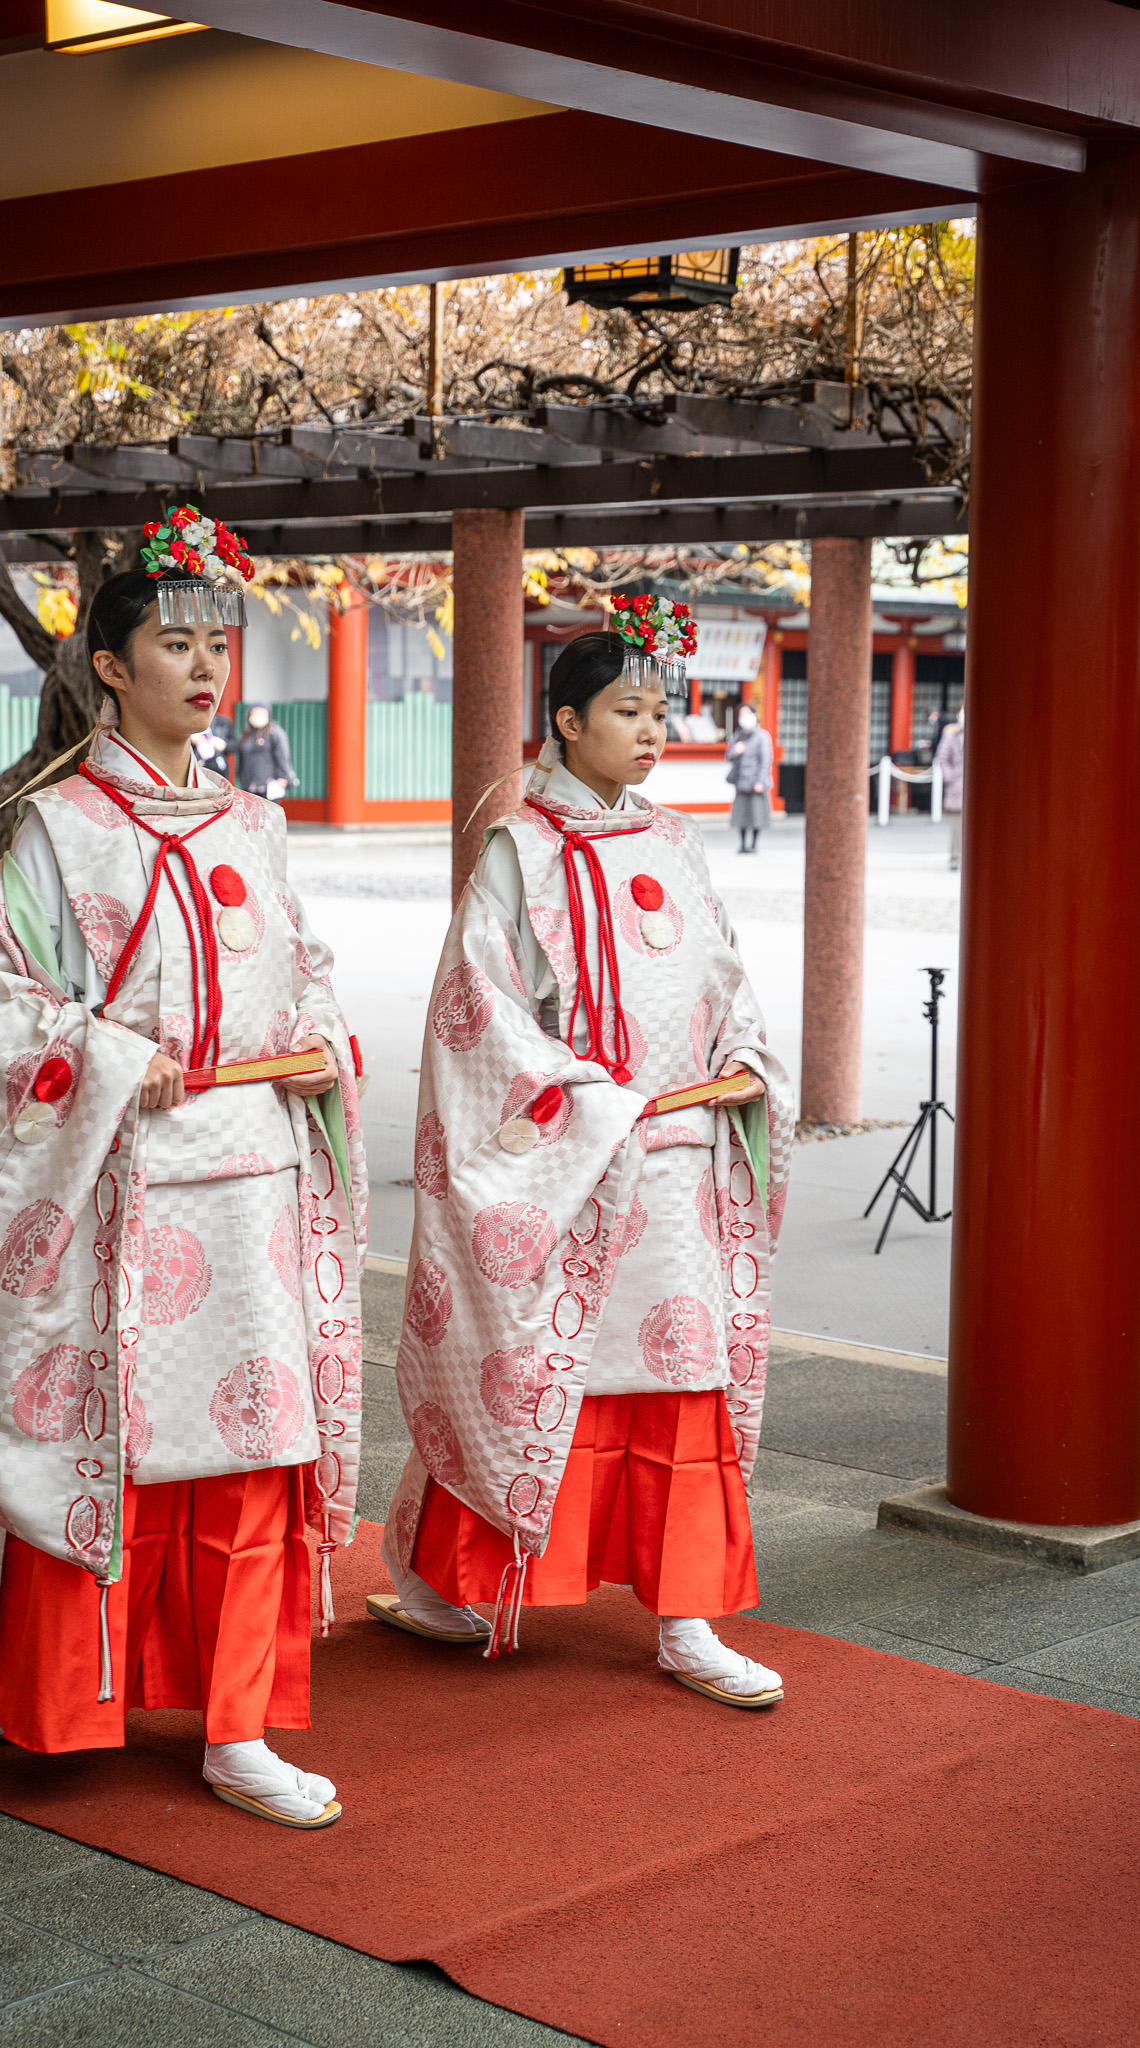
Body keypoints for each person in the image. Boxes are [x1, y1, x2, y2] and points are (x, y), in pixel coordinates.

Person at [0, 506, 367, 1829]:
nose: (204, 667)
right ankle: (39, 1682)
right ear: (108, 666)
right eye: (173, 643)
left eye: (215, 644)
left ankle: (239, 1727)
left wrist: (325, 1034)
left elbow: (304, 966)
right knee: (99, 1445)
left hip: (252, 1181)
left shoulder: (254, 823)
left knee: (250, 1447)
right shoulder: (53, 828)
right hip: (111, 1186)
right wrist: (106, 1055)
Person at [371, 620, 795, 1708]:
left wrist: (744, 1052)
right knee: (528, 1367)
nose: (653, 732)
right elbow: (480, 1013)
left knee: (678, 1376)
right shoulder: (520, 847)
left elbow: (721, 976)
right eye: (627, 712)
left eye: (661, 713)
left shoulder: (677, 840)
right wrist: (589, 1105)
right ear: (566, 721)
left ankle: (689, 1617)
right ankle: (445, 1579)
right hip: (573, 1155)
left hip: (677, 1154)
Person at [725, 704, 773, 854]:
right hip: (741, 780)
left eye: (747, 713)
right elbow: (728, 756)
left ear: (754, 715)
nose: (744, 717)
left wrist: (761, 781)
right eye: (741, 714)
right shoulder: (737, 736)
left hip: (756, 781)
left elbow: (765, 760)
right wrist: (736, 750)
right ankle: (743, 843)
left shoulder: (762, 736)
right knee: (741, 814)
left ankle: (754, 843)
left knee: (756, 814)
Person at [233, 703, 294, 801]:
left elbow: (282, 756)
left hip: (270, 786)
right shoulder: (246, 734)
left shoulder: (275, 733)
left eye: (261, 713)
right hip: (249, 786)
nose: (258, 716)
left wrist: (283, 776)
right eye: (255, 713)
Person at [935, 705, 965, 870]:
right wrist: (950, 777)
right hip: (957, 786)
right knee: (957, 826)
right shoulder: (952, 735)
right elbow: (942, 757)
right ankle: (955, 858)